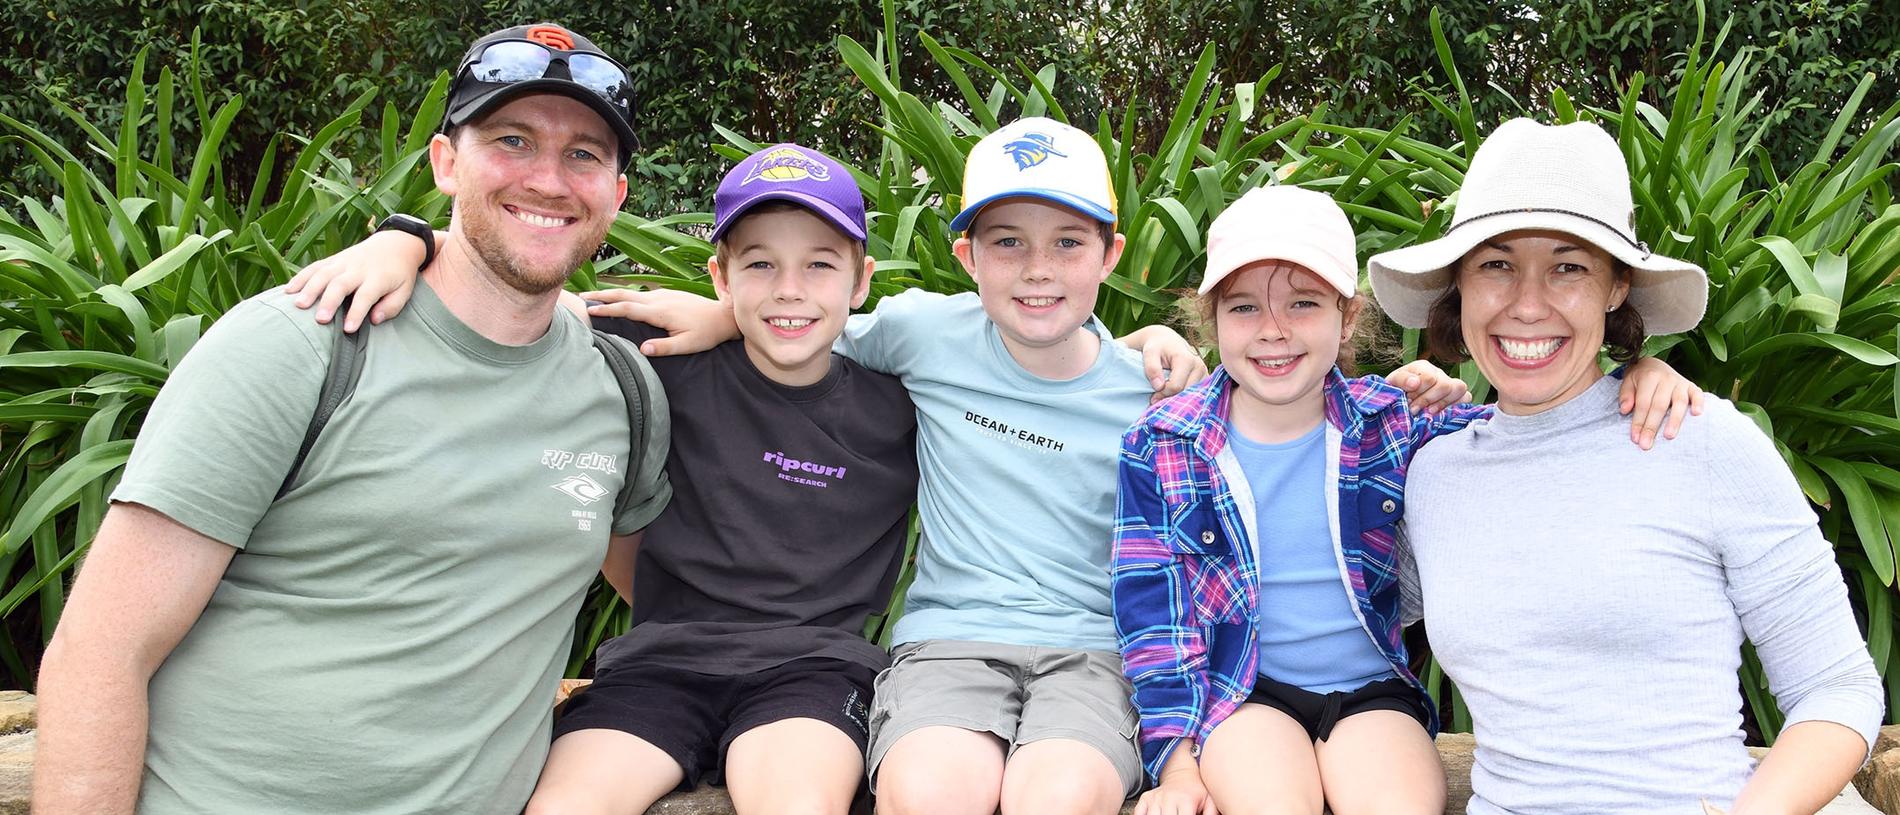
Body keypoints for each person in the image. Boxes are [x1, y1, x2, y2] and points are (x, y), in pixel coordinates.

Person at [577, 118, 1488, 814]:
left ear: (1110, 255)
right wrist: (714, 315)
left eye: (1067, 242)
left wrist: (1428, 390)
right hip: (949, 643)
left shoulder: (1159, 393)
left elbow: (1280, 422)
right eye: (1008, 241)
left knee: (1059, 796)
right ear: (967, 254)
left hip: (1093, 656)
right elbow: (798, 313)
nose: (1037, 269)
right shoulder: (925, 333)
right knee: (928, 792)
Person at [31, 23, 671, 815]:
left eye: (585, 154)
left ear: (617, 194)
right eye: (511, 139)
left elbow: (672, 586)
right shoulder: (297, 342)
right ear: (445, 162)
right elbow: (99, 651)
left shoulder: (621, 388)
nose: (548, 178)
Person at [292, 143, 921, 814]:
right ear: (720, 276)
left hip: (813, 671)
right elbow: (500, 288)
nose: (789, 289)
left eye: (819, 265)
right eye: (760, 264)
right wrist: (405, 241)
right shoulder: (656, 357)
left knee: (797, 802)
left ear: (860, 283)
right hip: (659, 664)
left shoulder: (902, 405)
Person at [1112, 185, 1703, 815]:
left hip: (1373, 692)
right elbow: (1154, 622)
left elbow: (1526, 426)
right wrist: (1176, 769)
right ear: (1212, 320)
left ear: (1347, 319)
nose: (1274, 331)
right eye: (1244, 308)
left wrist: (1634, 375)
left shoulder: (1393, 421)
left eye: (1304, 304)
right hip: (1243, 693)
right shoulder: (1163, 443)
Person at [1368, 117, 1885, 815]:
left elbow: (1837, 684)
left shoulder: (1699, 440)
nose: (1527, 303)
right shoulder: (1429, 474)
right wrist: (1356, 437)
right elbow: (1314, 613)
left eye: (1569, 266)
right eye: (1495, 263)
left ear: (1617, 288)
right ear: (1459, 283)